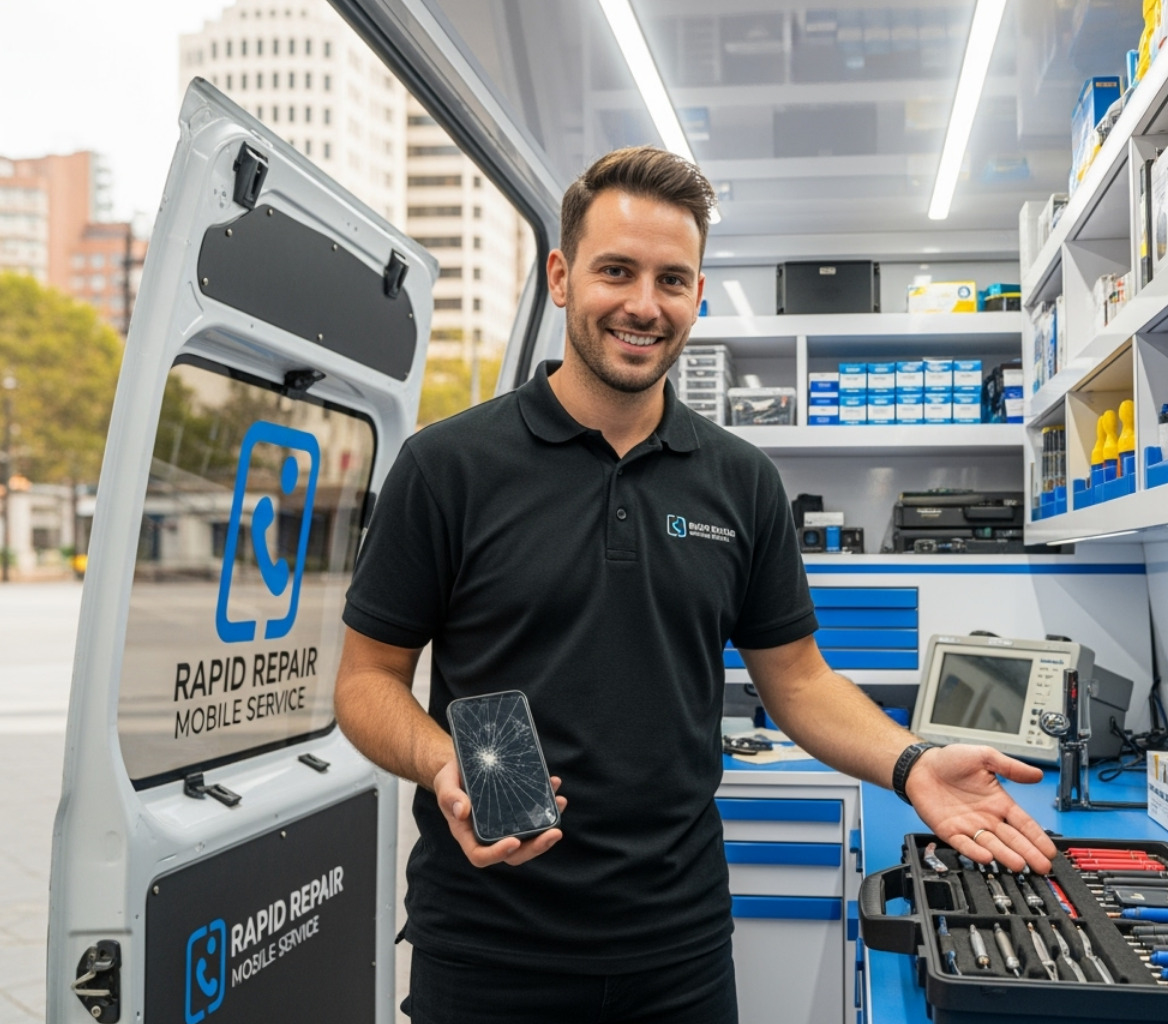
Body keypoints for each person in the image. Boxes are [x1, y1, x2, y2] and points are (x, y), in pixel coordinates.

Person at [334, 145, 1057, 1024]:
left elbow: (798, 681)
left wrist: (910, 765)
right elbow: (366, 682)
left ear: (699, 297)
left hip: (678, 949)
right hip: (489, 948)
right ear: (561, 277)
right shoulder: (447, 467)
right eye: (616, 271)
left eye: (672, 280)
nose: (644, 305)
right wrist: (443, 759)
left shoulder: (740, 480)